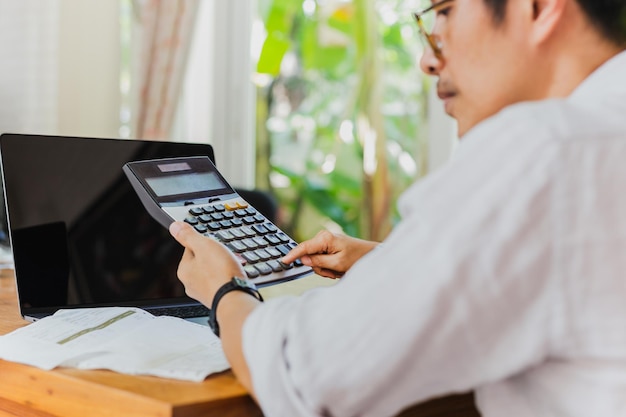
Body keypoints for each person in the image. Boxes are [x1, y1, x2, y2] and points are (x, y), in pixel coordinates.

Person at [169, 0, 626, 415]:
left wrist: (225, 291)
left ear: (539, 8)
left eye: (444, 14)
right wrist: (391, 262)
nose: (428, 60)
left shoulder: (545, 148)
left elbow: (307, 375)